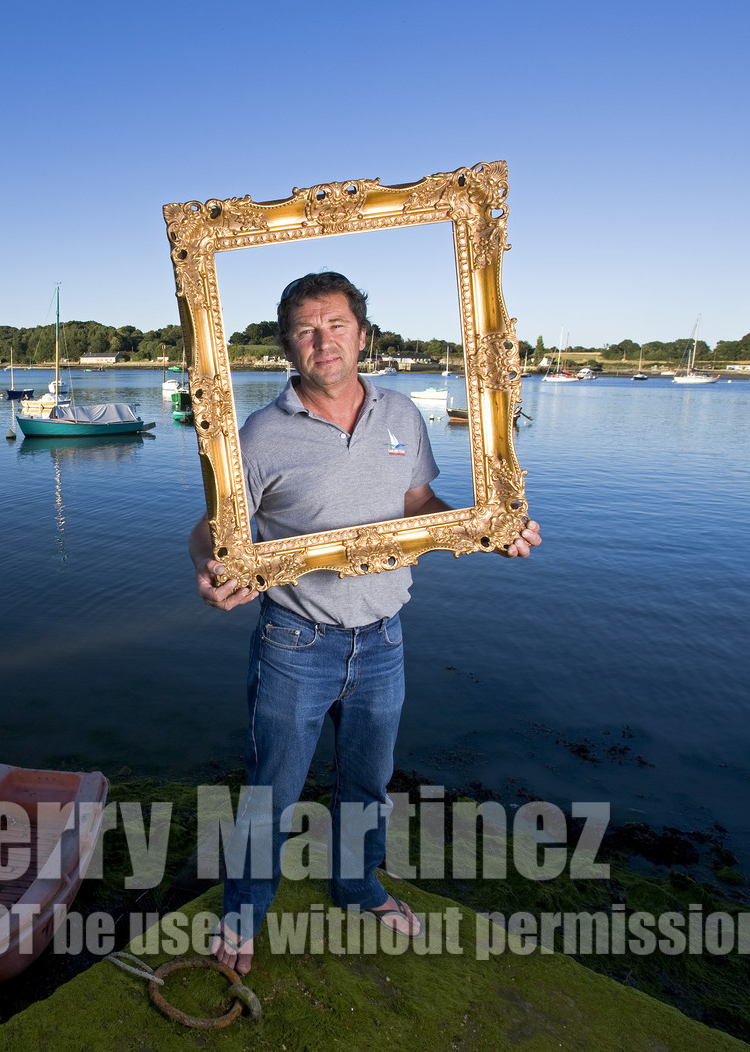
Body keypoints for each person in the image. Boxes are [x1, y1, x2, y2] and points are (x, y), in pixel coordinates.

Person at [188, 272, 540, 974]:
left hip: (384, 637)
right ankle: (244, 912)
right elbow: (212, 529)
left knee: (368, 784)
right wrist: (208, 567)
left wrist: (487, 528)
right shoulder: (258, 435)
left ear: (362, 336)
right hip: (296, 640)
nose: (323, 341)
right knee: (271, 791)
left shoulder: (402, 414)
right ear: (288, 345)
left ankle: (357, 886)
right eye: (306, 329)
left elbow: (418, 503)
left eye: (336, 325)